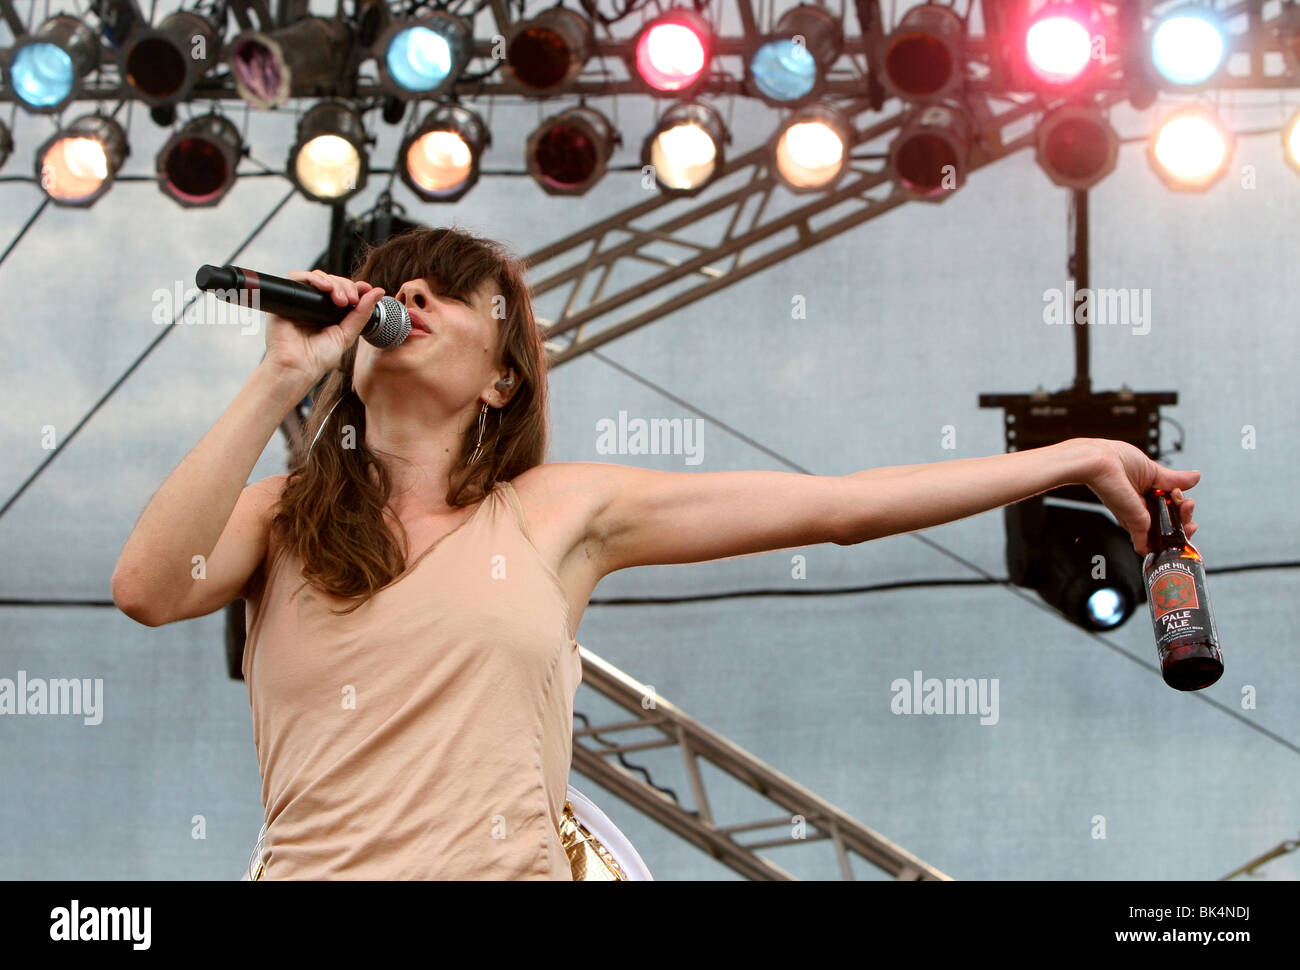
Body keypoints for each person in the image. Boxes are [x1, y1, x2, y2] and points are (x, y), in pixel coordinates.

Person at [111, 226, 1201, 879]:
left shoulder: (558, 511)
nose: (412, 298)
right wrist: (276, 380)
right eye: (396, 284)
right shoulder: (280, 514)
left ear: (503, 378)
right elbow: (146, 589)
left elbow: (837, 507)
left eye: (447, 289)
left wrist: (1068, 456)